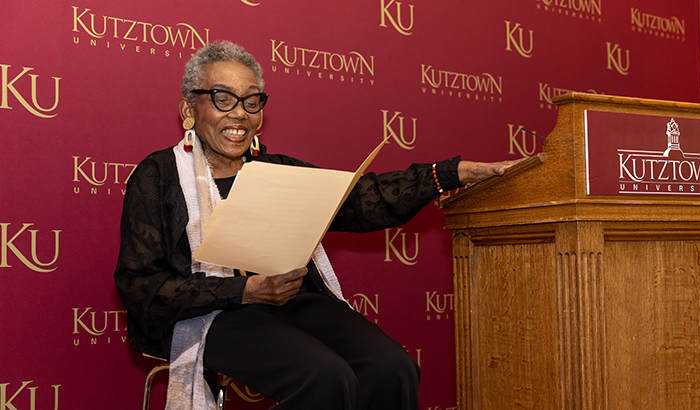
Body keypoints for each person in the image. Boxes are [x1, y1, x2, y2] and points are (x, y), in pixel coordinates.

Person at [114, 40, 520, 410]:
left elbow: (364, 199)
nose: (240, 112)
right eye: (223, 99)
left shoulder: (277, 170)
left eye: (251, 101)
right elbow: (140, 285)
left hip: (291, 302)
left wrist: (455, 173)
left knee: (393, 369)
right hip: (209, 313)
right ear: (189, 109)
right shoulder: (158, 177)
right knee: (325, 379)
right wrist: (247, 290)